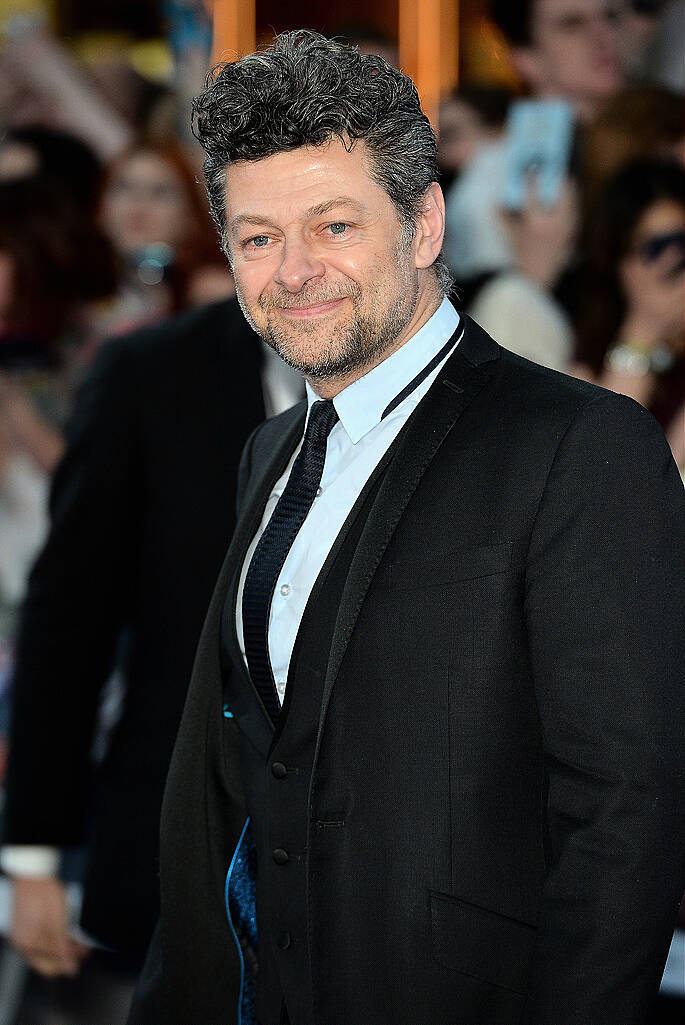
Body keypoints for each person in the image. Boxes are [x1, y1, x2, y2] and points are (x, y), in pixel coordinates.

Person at [129, 30, 685, 1025]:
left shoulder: (579, 444)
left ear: (424, 222)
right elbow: (236, 779)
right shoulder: (268, 455)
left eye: (334, 225)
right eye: (259, 238)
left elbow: (628, 816)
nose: (293, 270)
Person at [1, 296, 302, 1001]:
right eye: (260, 232)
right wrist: (35, 852)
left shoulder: (443, 372)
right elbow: (70, 616)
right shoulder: (151, 372)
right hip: (179, 830)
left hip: (376, 864)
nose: (295, 260)